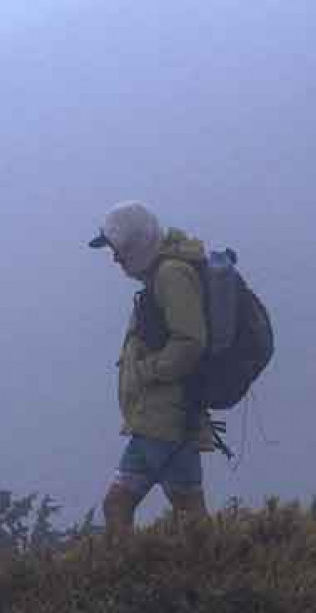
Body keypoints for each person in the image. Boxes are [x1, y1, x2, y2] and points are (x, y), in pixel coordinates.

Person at [89, 201, 219, 535]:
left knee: (182, 515)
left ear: (138, 245)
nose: (116, 259)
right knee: (137, 507)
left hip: (166, 420)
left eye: (120, 250)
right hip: (157, 420)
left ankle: (196, 580)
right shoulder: (161, 275)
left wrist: (147, 371)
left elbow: (191, 340)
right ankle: (204, 574)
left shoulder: (171, 275)